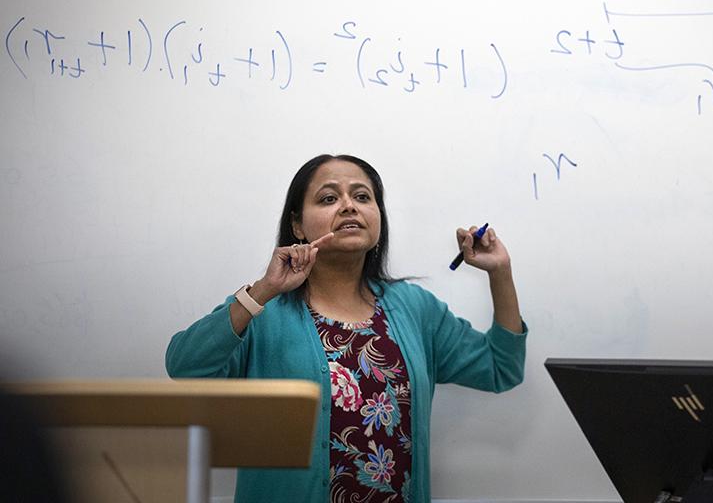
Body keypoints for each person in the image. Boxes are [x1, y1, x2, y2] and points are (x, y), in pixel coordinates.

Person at [166, 154, 526, 503]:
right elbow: (186, 367)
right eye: (328, 198)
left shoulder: (415, 308)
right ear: (297, 225)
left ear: (378, 218)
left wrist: (500, 272)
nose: (349, 206)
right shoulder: (264, 311)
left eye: (362, 196)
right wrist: (263, 290)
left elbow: (500, 369)